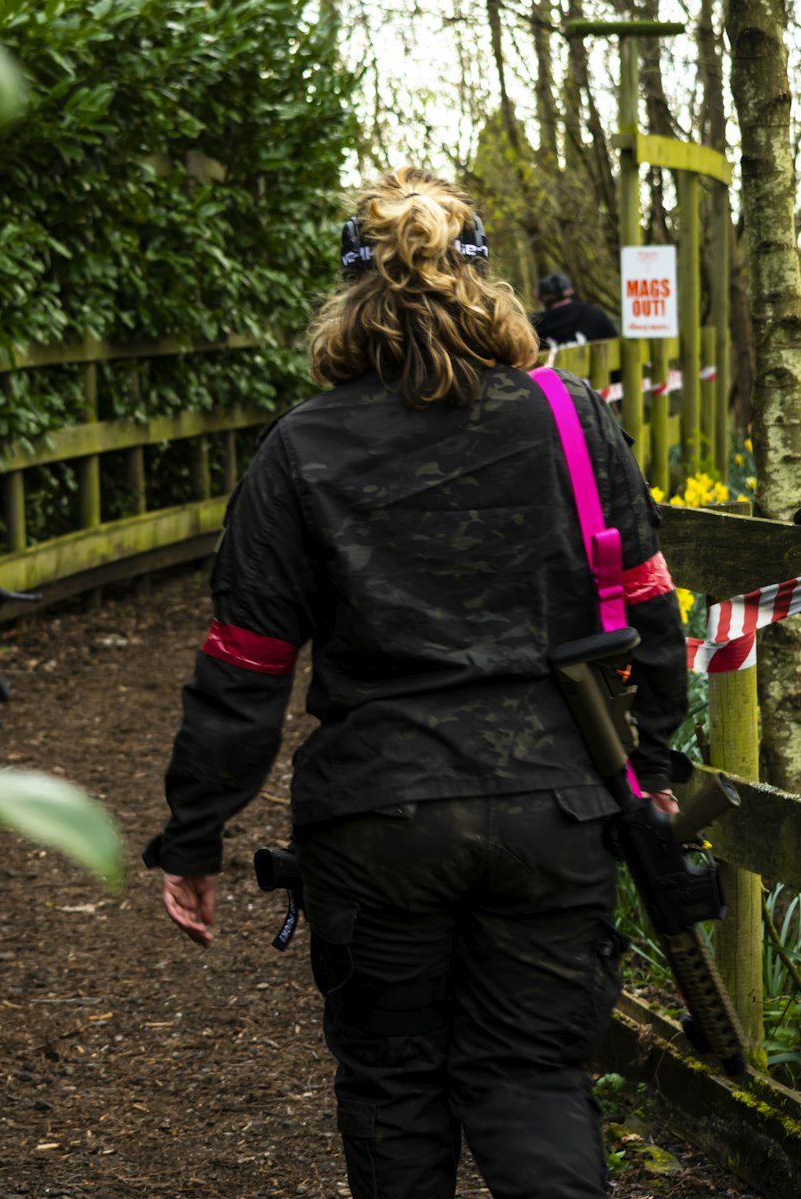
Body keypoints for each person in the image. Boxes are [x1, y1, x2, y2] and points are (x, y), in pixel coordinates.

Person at [145, 167, 687, 1199]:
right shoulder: (571, 419)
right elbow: (649, 604)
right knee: (533, 1079)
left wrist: (194, 834)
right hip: (553, 806)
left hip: (376, 816)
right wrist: (652, 764)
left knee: (395, 1088)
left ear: (350, 300)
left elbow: (246, 661)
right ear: (486, 287)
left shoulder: (301, 445)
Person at [532, 271, 618, 351]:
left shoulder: (536, 324)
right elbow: (615, 347)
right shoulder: (594, 314)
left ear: (542, 298)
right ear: (571, 291)